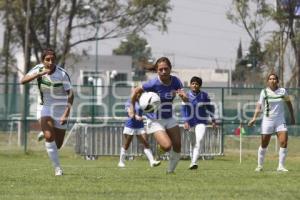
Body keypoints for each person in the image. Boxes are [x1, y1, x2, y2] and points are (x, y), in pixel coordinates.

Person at [130, 57, 188, 173]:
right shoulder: (153, 83)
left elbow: (186, 100)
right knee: (167, 146)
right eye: (160, 69)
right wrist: (132, 108)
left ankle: (170, 171)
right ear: (157, 70)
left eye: (166, 69)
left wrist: (183, 97)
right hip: (155, 120)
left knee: (177, 146)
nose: (163, 72)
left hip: (169, 117)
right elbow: (136, 91)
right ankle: (160, 150)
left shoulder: (176, 81)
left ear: (170, 69)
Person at [21, 48, 74, 176]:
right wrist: (38, 75)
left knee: (57, 145)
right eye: (47, 60)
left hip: (61, 109)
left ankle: (45, 133)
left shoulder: (62, 74)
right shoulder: (38, 69)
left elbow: (71, 95)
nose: (50, 62)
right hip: (44, 107)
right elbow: (23, 81)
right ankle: (58, 168)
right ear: (42, 60)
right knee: (50, 136)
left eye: (52, 59)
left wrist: (66, 113)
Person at [248, 73, 295, 172]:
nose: (272, 80)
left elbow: (289, 103)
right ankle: (260, 165)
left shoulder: (283, 91)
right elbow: (259, 106)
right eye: (270, 79)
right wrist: (254, 118)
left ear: (277, 81)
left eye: (274, 79)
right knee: (264, 144)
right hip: (267, 120)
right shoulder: (264, 92)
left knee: (284, 142)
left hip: (280, 120)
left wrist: (292, 116)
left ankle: (281, 166)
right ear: (268, 81)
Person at [181, 76, 216, 170]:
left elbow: (210, 108)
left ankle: (194, 162)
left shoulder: (204, 95)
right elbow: (183, 109)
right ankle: (192, 160)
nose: (194, 85)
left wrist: (213, 119)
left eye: (196, 84)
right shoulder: (186, 95)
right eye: (193, 83)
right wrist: (185, 121)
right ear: (190, 85)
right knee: (192, 143)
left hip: (201, 121)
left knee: (199, 140)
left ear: (200, 85)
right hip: (190, 122)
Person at [118, 98, 161, 168]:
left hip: (140, 126)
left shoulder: (143, 101)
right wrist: (135, 116)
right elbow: (130, 113)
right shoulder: (129, 102)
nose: (140, 94)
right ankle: (121, 162)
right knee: (126, 145)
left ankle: (152, 161)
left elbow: (148, 111)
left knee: (146, 143)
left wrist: (152, 117)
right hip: (130, 126)